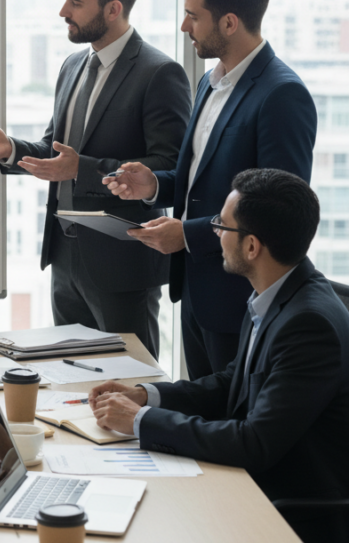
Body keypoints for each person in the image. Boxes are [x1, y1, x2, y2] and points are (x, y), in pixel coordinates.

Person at [90, 169, 349, 543]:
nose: (213, 232)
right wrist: (148, 396)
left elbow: (255, 443)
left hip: (289, 513)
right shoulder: (279, 293)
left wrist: (142, 420)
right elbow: (234, 381)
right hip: (252, 486)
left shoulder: (309, 324)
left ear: (251, 247)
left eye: (221, 225)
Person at [0, 0, 190, 359]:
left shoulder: (159, 73)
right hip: (64, 257)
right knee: (69, 381)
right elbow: (56, 149)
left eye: (76, 3)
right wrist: (11, 148)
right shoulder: (72, 66)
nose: (63, 11)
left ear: (113, 8)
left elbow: (169, 169)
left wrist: (82, 169)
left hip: (122, 264)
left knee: (127, 385)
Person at [103, 0, 316, 379]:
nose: (184, 27)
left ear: (229, 23)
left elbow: (280, 214)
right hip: (197, 295)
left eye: (192, 16)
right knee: (200, 418)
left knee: (230, 430)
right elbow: (201, 180)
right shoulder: (209, 81)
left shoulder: (281, 96)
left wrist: (186, 234)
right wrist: (155, 186)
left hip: (241, 298)